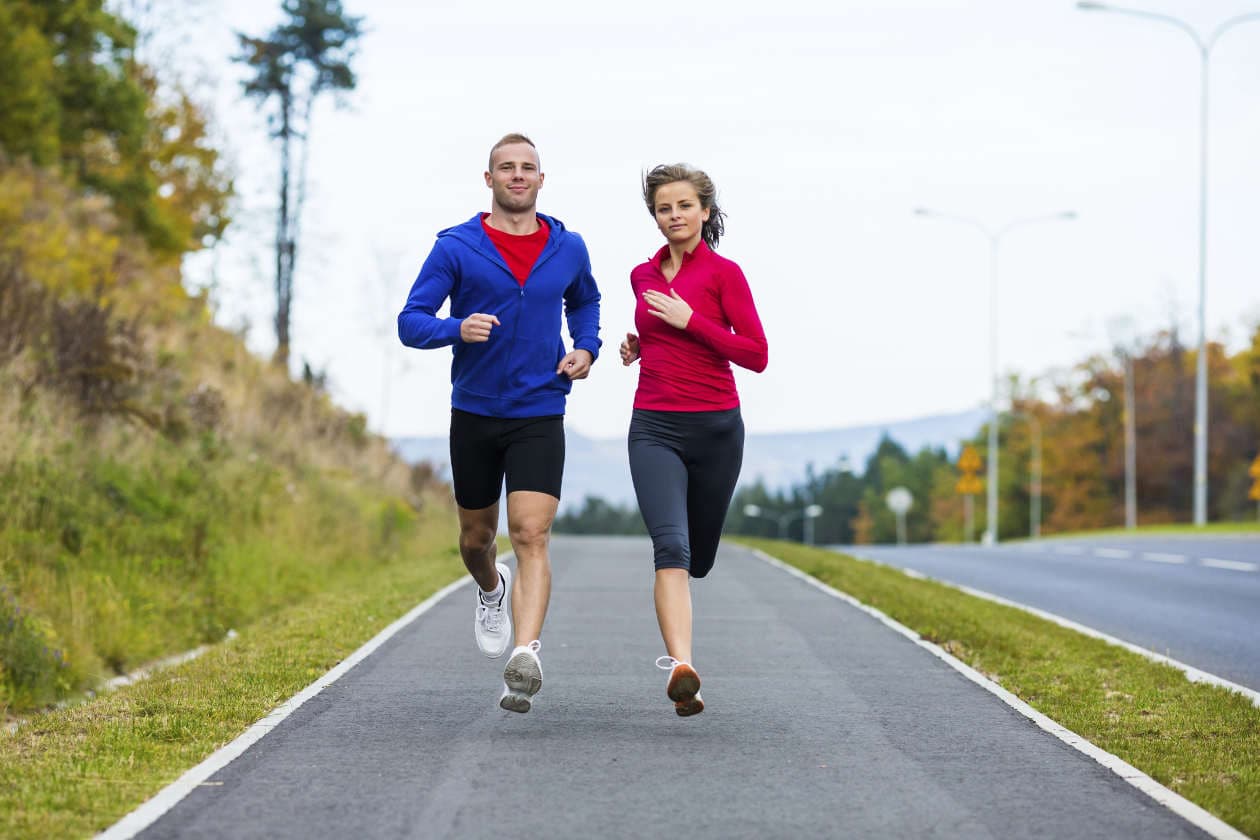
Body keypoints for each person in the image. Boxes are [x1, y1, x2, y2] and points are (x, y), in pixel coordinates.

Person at [398, 133, 601, 713]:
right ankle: (492, 587)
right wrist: (455, 329)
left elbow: (585, 301)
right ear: (489, 180)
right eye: (506, 168)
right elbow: (411, 321)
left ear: (541, 179)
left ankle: (526, 655)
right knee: (477, 539)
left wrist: (585, 347)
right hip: (476, 412)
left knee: (530, 534)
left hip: (540, 408)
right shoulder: (456, 247)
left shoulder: (568, 247)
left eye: (527, 167)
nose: (517, 175)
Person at [620, 164, 768, 717]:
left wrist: (691, 322)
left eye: (684, 205)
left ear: (705, 211)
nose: (674, 215)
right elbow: (657, 331)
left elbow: (756, 354)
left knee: (698, 559)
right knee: (671, 550)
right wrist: (641, 346)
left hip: (716, 430)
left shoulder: (725, 275)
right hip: (654, 425)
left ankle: (684, 657)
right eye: (664, 208)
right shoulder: (642, 275)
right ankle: (683, 669)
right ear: (655, 217)